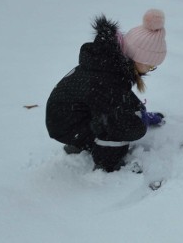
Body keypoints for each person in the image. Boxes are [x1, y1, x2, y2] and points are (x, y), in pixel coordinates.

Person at [45, 9, 168, 172]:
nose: (150, 69)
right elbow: (115, 114)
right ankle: (107, 164)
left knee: (117, 115)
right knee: (128, 127)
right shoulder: (107, 79)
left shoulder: (109, 67)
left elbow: (119, 98)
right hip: (66, 126)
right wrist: (139, 123)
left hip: (72, 116)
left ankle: (86, 140)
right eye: (150, 65)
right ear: (137, 58)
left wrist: (139, 110)